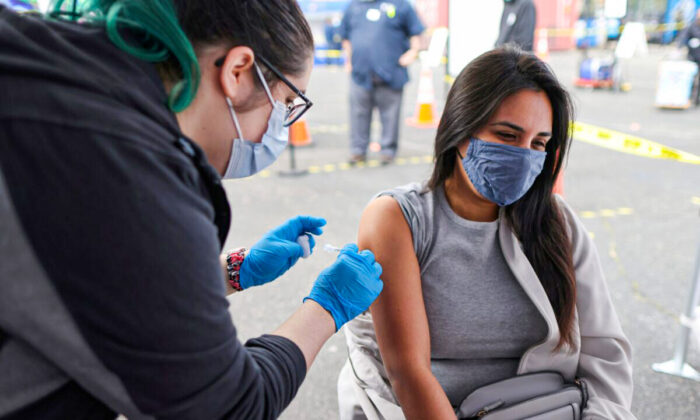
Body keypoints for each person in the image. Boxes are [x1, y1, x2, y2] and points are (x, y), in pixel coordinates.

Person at [0, 1, 384, 419]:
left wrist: (232, 269)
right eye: (287, 103)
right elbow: (228, 406)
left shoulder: (58, 73)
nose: (280, 130)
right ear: (238, 71)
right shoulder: (123, 166)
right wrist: (328, 306)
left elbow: (106, 274)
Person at [337, 47, 635, 419]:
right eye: (508, 135)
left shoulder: (556, 222)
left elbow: (603, 351)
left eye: (539, 144)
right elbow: (407, 372)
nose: (525, 155)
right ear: (459, 127)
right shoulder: (399, 219)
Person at [340, 0, 424, 165]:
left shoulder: (401, 5)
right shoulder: (354, 7)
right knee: (358, 114)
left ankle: (388, 150)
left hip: (391, 72)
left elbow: (415, 32)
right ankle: (358, 150)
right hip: (360, 73)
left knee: (390, 115)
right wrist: (349, 59)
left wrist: (412, 53)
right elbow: (345, 36)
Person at [677, 8, 700, 105]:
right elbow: (683, 37)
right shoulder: (692, 26)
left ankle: (697, 99)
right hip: (692, 56)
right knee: (690, 77)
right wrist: (681, 46)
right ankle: (688, 96)